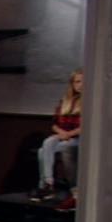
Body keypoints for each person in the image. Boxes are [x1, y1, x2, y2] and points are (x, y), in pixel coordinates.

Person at [31, 69, 83, 202]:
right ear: (72, 84)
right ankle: (49, 183)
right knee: (46, 144)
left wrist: (68, 134)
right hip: (63, 136)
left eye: (83, 81)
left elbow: (86, 126)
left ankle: (44, 186)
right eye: (77, 81)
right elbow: (54, 124)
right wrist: (61, 133)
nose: (80, 85)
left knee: (44, 151)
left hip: (79, 139)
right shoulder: (65, 101)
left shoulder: (90, 102)